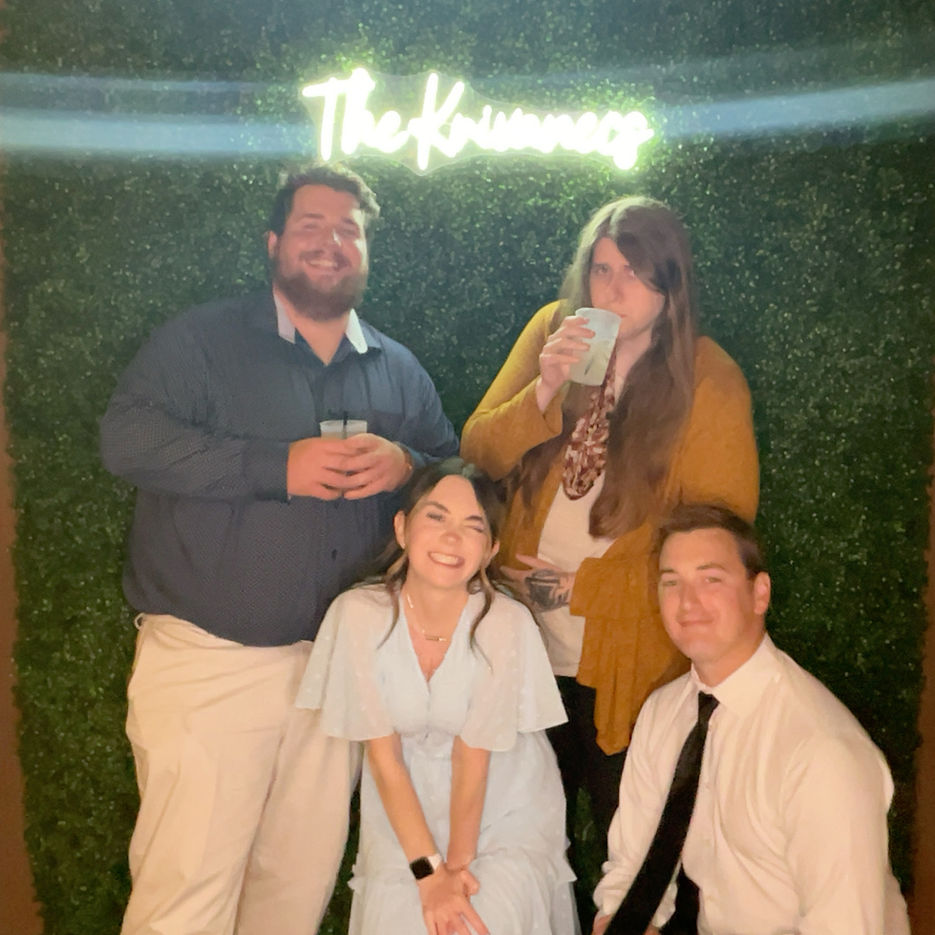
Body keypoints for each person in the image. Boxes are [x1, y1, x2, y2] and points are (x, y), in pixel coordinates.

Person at [99, 164, 458, 935]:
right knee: (183, 901)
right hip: (210, 663)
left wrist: (408, 465)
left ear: (365, 250)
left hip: (337, 676)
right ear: (272, 243)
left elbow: (453, 478)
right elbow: (127, 439)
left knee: (293, 899)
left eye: (347, 229)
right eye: (310, 226)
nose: (330, 242)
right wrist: (274, 466)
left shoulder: (397, 368)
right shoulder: (200, 341)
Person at [460, 195, 759, 911]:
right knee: (523, 847)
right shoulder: (554, 331)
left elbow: (719, 534)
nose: (613, 289)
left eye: (634, 272)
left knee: (633, 852)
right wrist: (547, 387)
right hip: (525, 653)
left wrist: (584, 588)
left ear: (670, 284)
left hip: (629, 664)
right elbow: (479, 450)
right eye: (601, 270)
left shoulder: (707, 379)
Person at [592, 502, 910, 935]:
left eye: (711, 579)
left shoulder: (820, 749)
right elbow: (634, 862)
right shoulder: (664, 713)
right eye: (671, 583)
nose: (687, 602)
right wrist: (617, 921)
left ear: (760, 594)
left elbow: (845, 926)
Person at [295, 457, 578, 935]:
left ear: (490, 550)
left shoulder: (504, 623)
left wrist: (456, 874)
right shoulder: (358, 615)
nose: (452, 538)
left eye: (473, 527)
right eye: (436, 517)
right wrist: (429, 873)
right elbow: (383, 757)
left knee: (478, 921)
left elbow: (474, 759)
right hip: (402, 803)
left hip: (502, 806)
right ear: (402, 528)